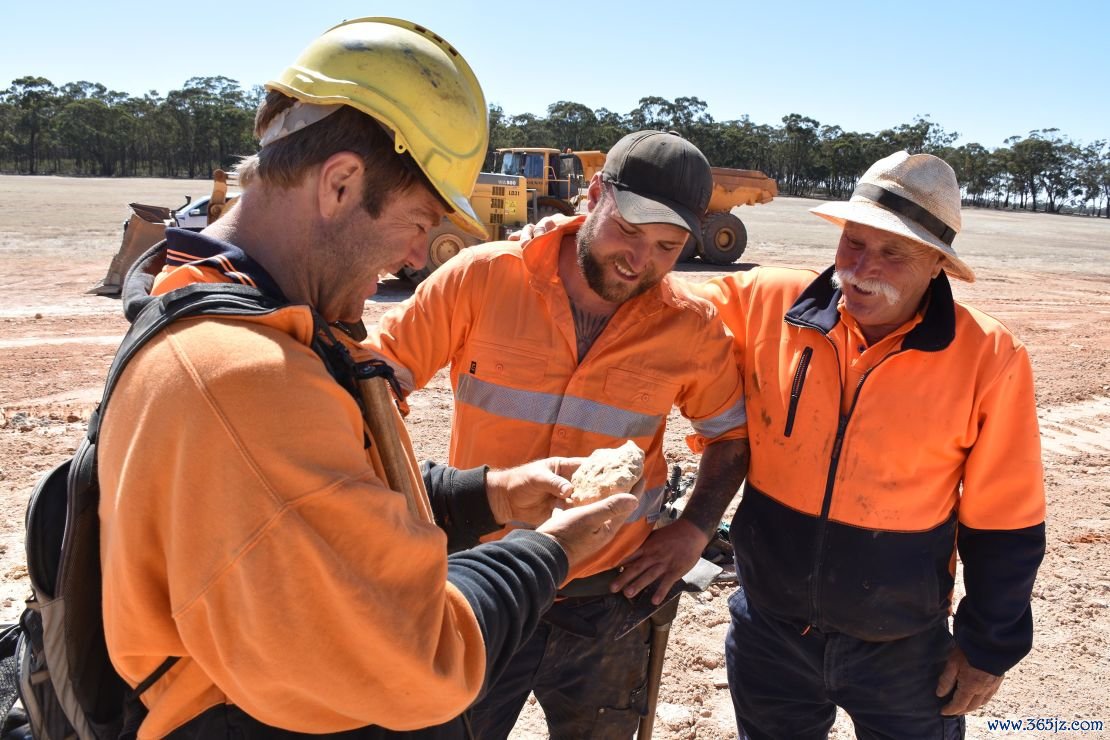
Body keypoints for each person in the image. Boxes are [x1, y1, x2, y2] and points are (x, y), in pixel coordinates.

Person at [96, 17, 639, 739]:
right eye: (418, 220)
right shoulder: (242, 377)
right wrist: (553, 550)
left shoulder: (229, 307)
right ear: (342, 183)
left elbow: (322, 498)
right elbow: (419, 653)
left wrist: (486, 495)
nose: (419, 254)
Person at [364, 130, 750, 738]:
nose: (640, 260)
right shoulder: (482, 277)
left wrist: (694, 531)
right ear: (593, 195)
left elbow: (730, 436)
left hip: (611, 602)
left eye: (667, 247)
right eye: (629, 230)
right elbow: (376, 386)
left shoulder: (692, 328)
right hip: (485, 590)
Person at [691, 151, 1046, 739]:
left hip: (903, 651)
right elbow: (656, 307)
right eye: (853, 242)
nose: (860, 267)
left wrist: (987, 649)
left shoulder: (988, 357)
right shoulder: (767, 304)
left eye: (893, 252)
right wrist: (579, 231)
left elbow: (1006, 522)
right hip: (769, 633)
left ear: (937, 265)